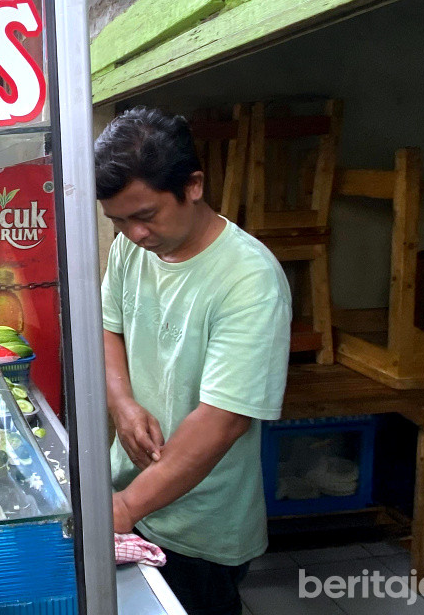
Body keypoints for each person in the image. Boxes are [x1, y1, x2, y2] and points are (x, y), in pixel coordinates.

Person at [94, 108, 290, 615]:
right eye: (118, 221)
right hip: (129, 494)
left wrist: (125, 507)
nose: (134, 233)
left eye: (145, 215)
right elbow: (108, 328)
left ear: (194, 185)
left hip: (202, 526)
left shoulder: (249, 279)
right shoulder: (132, 249)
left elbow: (223, 421)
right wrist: (123, 404)